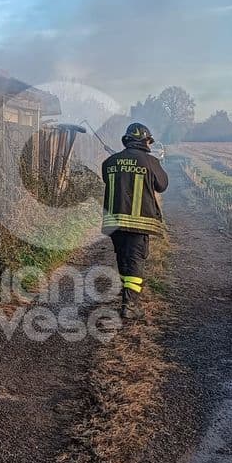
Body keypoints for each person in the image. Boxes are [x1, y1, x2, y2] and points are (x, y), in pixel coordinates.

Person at [101, 123, 168, 320]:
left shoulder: (110, 162)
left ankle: (126, 297)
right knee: (135, 261)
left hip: (114, 222)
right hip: (139, 223)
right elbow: (162, 185)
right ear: (144, 141)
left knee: (123, 259)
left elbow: (109, 179)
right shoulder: (151, 161)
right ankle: (129, 305)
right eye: (148, 140)